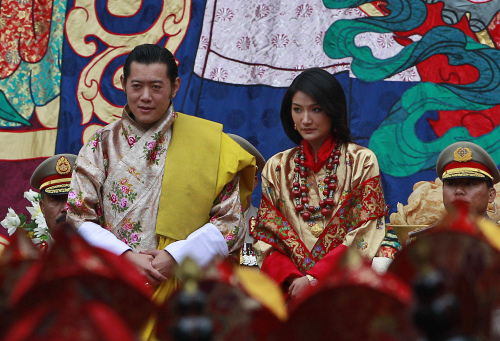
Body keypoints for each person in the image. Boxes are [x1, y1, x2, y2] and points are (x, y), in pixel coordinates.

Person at [66, 44, 256, 311]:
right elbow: (77, 217)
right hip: (117, 286)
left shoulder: (208, 145)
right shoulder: (100, 145)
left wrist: (176, 256)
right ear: (123, 84)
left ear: (175, 86)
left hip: (186, 292)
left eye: (156, 87)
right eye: (137, 86)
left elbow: (232, 223)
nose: (146, 96)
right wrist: (126, 256)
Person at [251, 68, 386, 301]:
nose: (305, 120)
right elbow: (266, 237)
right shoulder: (276, 167)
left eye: (316, 109)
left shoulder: (361, 161)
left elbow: (367, 231)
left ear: (333, 111)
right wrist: (294, 280)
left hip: (344, 289)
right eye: (297, 110)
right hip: (291, 292)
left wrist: (314, 279)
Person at [408, 141, 500, 240]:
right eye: (451, 184)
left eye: (469, 183)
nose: (459, 191)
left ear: (491, 195)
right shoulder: (423, 241)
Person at [226, 133, 266, 267]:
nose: (226, 185)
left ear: (253, 183)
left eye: (234, 178)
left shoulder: (268, 228)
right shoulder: (196, 226)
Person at [29, 153, 77, 251]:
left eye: (71, 199)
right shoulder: (32, 260)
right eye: (56, 199)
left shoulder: (106, 256)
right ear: (42, 207)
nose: (64, 208)